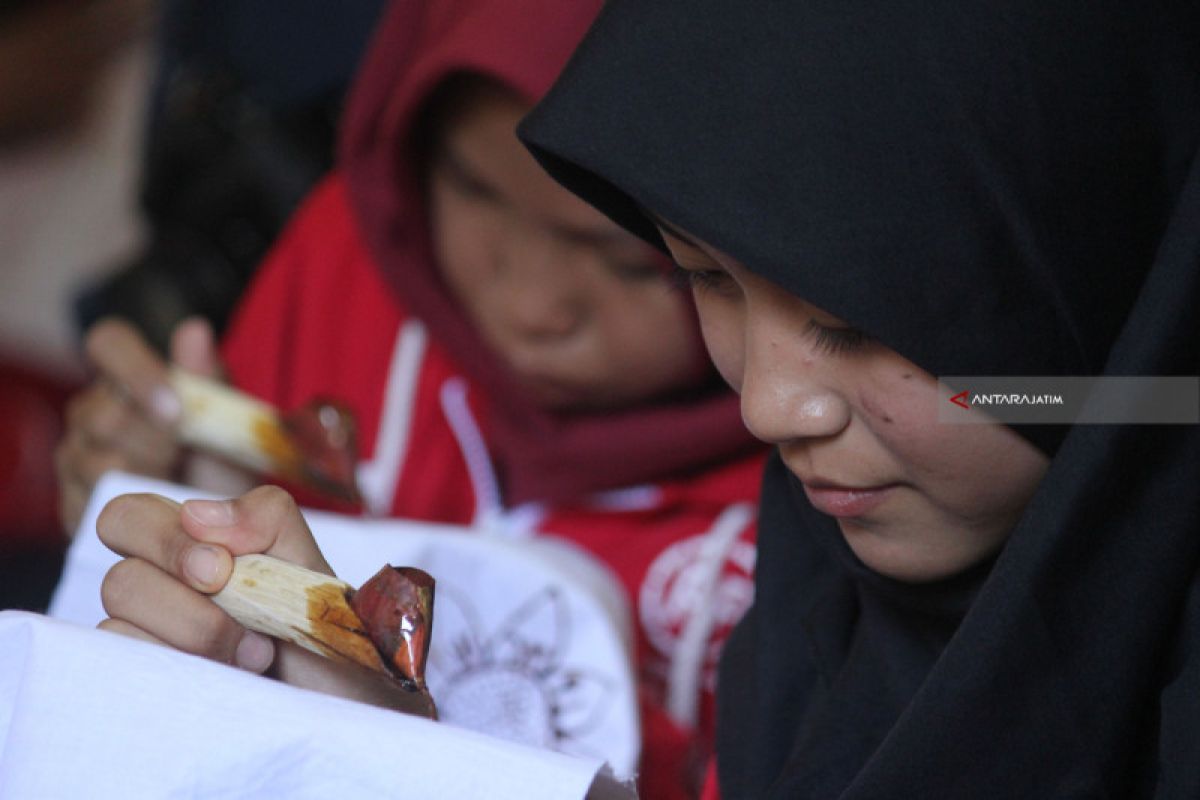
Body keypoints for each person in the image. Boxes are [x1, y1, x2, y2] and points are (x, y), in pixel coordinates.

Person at [58, 0, 766, 796]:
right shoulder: (355, 259)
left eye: (635, 262)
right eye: (473, 189)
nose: (532, 305)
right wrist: (167, 501)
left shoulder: (839, 481)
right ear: (403, 139)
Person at [515, 0, 1200, 797]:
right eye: (703, 276)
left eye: (857, 320)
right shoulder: (809, 629)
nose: (767, 409)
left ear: (1116, 262)